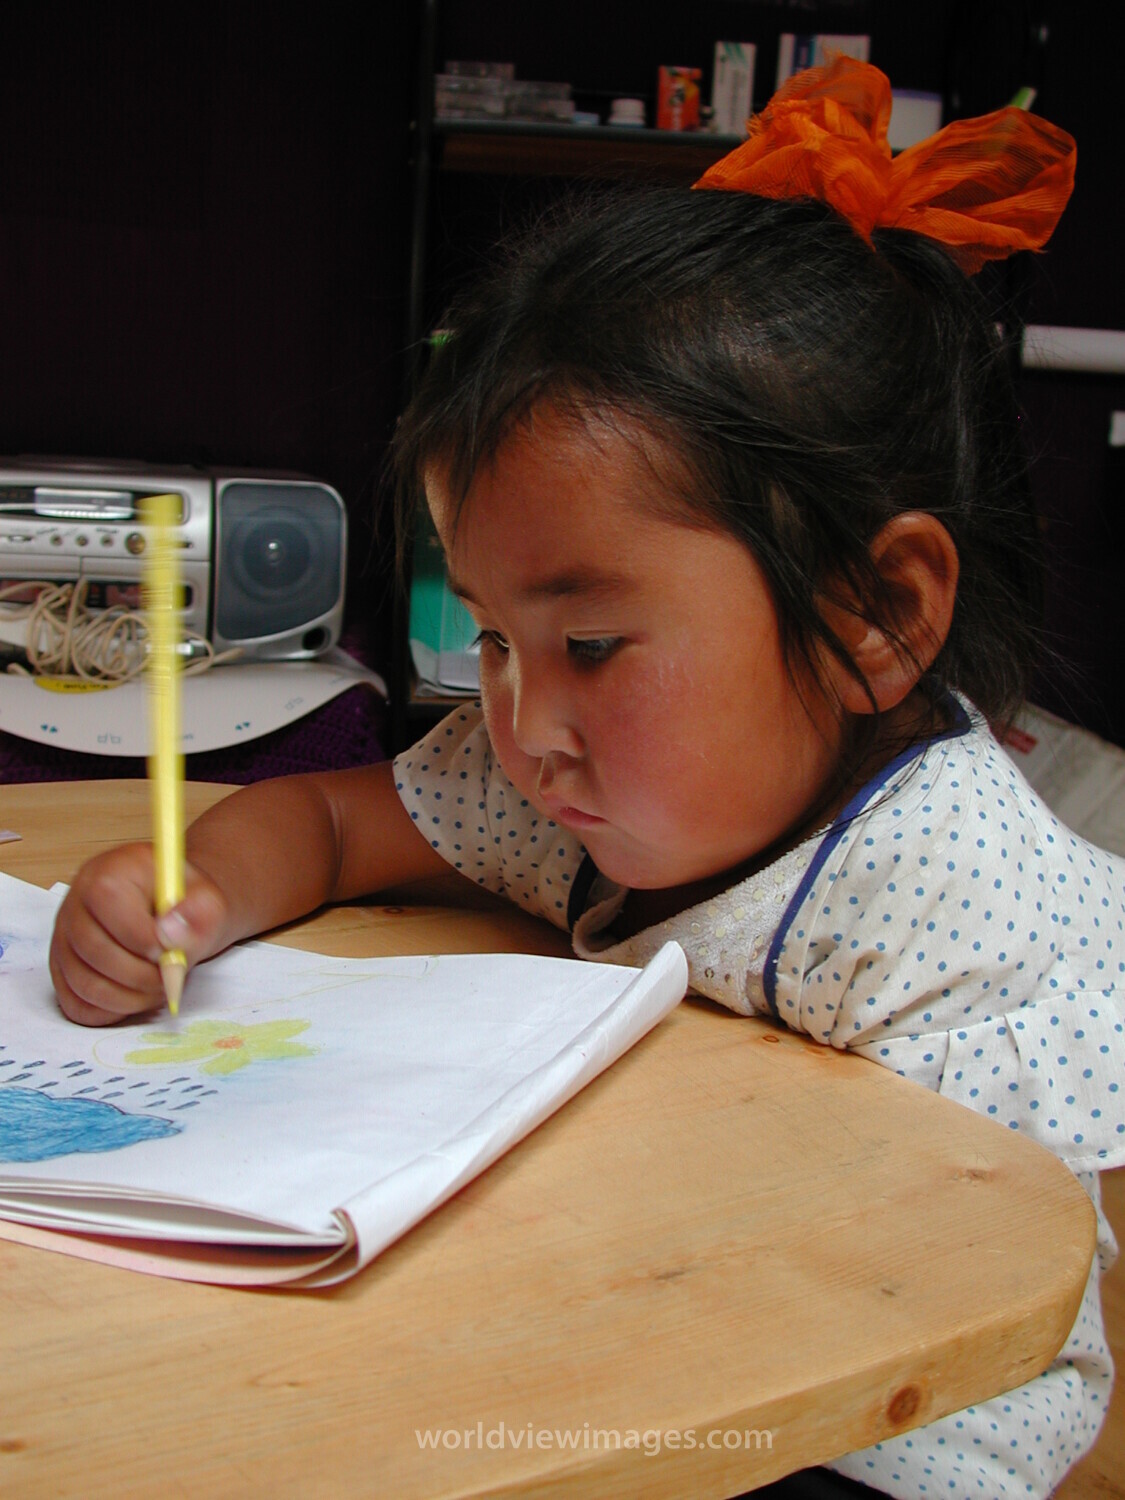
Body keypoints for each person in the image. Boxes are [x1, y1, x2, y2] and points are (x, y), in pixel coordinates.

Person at [49, 58, 1119, 1500]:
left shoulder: (955, 912)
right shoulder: (585, 781)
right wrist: (187, 894)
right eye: (492, 638)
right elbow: (328, 821)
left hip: (879, 1427)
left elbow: (932, 1287)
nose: (522, 722)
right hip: (643, 1328)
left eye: (592, 645)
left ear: (872, 616)